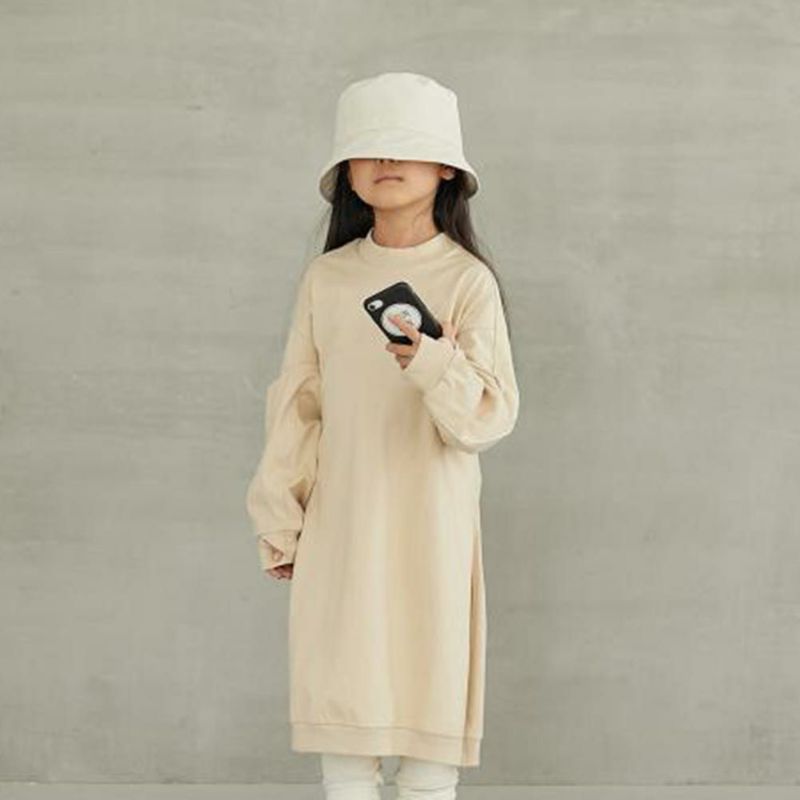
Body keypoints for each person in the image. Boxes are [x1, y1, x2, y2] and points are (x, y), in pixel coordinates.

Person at [245, 71, 520, 800]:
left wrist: (432, 360)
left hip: (433, 522)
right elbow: (298, 405)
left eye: (405, 146)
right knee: (345, 723)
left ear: (447, 170)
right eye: (368, 149)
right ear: (346, 173)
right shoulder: (327, 279)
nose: (386, 161)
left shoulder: (467, 281)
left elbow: (486, 418)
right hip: (342, 521)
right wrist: (281, 516)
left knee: (429, 725)